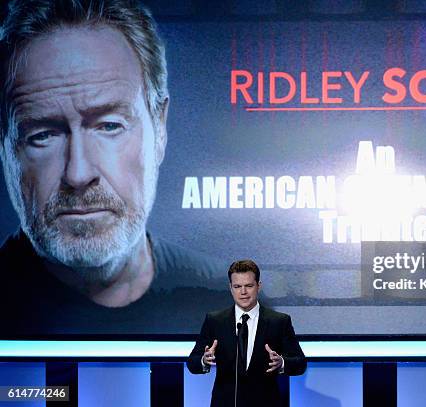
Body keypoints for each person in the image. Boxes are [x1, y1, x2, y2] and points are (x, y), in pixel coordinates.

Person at [0, 0, 225, 335]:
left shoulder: (227, 305)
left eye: (109, 126)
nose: (77, 174)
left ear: (159, 128)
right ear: (5, 145)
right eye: (43, 135)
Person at [187, 259, 307, 407]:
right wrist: (204, 360)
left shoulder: (279, 321)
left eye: (249, 286)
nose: (243, 292)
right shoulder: (215, 321)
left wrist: (281, 362)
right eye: (237, 286)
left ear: (258, 286)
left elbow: (300, 363)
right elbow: (192, 363)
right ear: (230, 287)